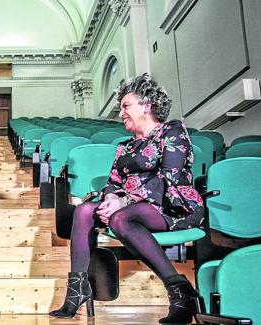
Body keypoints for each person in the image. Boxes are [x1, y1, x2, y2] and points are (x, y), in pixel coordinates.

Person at [49, 74, 204, 324]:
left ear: (147, 105)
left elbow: (168, 178)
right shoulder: (125, 146)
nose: (121, 113)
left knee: (120, 219)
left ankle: (180, 292)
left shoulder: (173, 131)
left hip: (172, 205)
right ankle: (77, 288)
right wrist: (111, 197)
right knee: (84, 211)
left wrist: (122, 201)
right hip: (132, 207)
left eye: (125, 106)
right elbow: (113, 181)